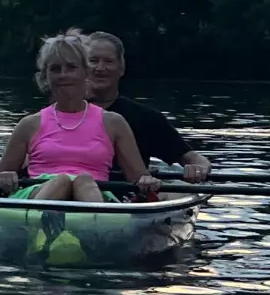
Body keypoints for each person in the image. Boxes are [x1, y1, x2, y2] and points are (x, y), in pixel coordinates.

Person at [0, 32, 159, 203]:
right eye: (55, 69)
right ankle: (43, 222)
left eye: (71, 67)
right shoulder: (29, 125)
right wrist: (5, 176)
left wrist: (146, 181)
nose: (64, 75)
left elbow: (139, 177)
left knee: (83, 180)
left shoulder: (114, 123)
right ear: (46, 77)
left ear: (86, 72)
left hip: (94, 192)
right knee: (62, 181)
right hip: (38, 191)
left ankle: (93, 223)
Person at [79, 29, 211, 184]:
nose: (100, 68)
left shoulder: (147, 118)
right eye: (93, 60)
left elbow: (195, 159)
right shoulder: (63, 113)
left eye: (108, 61)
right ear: (81, 67)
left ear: (122, 68)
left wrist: (197, 168)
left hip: (126, 199)